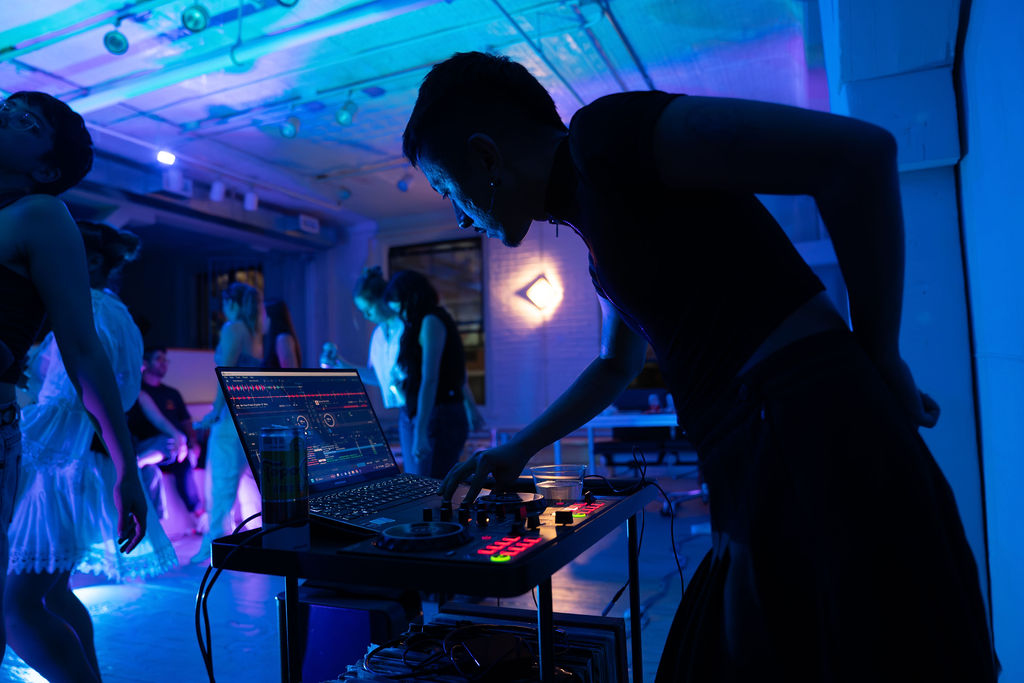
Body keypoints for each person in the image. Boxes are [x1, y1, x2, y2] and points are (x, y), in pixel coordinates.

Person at [409, 53, 997, 681]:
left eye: (449, 192)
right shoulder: (596, 219)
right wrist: (517, 450)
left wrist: (881, 356)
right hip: (763, 452)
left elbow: (856, 154)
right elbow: (613, 367)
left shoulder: (604, 137)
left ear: (487, 157)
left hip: (801, 436)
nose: (460, 218)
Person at [0, 91, 148, 665]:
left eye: (28, 121)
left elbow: (85, 355)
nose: (8, 114)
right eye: (10, 106)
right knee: (41, 596)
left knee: (23, 604)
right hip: (50, 447)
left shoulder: (37, 213)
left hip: (44, 446)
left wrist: (127, 469)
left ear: (45, 168)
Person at [5, 221, 176, 682]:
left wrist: (19, 437)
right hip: (86, 458)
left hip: (63, 462)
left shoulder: (89, 310)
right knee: (56, 594)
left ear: (93, 261)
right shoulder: (117, 312)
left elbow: (67, 398)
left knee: (16, 609)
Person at [191, 282, 263, 564]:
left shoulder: (233, 329)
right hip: (249, 415)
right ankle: (252, 537)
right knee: (246, 482)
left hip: (231, 417)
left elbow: (226, 375)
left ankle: (214, 546)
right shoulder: (254, 333)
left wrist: (215, 411)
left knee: (221, 483)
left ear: (230, 302)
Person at [383, 270, 470, 478]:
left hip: (438, 415)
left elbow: (430, 379)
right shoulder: (422, 322)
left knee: (429, 487)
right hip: (432, 413)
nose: (400, 315)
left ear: (410, 299)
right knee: (426, 484)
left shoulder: (431, 321)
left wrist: (420, 431)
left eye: (400, 309)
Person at [126, 346, 205, 527]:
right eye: (159, 359)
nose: (164, 363)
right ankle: (138, 462)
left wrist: (190, 442)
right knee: (168, 447)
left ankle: (199, 516)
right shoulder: (136, 391)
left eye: (165, 360)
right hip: (150, 444)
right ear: (145, 364)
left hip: (172, 449)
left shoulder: (171, 393)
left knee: (178, 453)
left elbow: (184, 422)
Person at [353, 266, 406, 410]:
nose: (366, 316)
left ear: (382, 299)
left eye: (368, 309)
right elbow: (378, 376)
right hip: (401, 410)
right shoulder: (378, 335)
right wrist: (342, 365)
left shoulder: (406, 327)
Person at [262, 299, 302, 369]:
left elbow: (290, 373)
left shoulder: (283, 339)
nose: (261, 320)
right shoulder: (279, 339)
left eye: (264, 316)